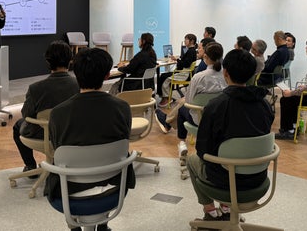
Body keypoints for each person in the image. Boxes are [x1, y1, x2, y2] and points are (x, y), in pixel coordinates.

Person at [44, 48, 135, 231]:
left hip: (67, 193)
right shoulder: (122, 108)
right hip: (114, 189)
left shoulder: (59, 113)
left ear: (75, 74)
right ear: (107, 76)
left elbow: (57, 149)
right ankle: (102, 225)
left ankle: (75, 227)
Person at [186, 49, 274, 222]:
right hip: (258, 178)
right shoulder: (265, 105)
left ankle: (210, 211)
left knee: (192, 160)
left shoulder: (216, 106)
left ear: (225, 72)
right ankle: (226, 208)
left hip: (224, 181)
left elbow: (202, 150)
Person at [12, 41, 79, 175]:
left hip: (43, 134)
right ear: (70, 61)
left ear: (48, 62)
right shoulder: (79, 84)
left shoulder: (36, 88)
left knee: (17, 125)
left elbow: (26, 114)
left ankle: (30, 166)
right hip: (72, 132)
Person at [157, 33, 197, 105]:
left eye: (186, 39)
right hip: (185, 72)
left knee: (164, 78)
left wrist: (177, 60)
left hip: (184, 74)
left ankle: (166, 98)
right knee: (163, 75)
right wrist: (178, 59)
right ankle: (166, 97)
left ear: (192, 41)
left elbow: (186, 64)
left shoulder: (191, 51)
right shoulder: (192, 50)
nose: (185, 41)